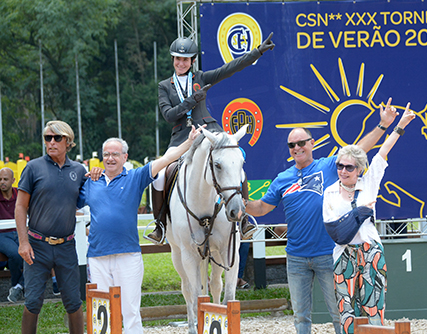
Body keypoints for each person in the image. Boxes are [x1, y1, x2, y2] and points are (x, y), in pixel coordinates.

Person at [245, 98, 401, 334]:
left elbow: (359, 150)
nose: (297, 148)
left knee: (340, 314)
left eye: (301, 143)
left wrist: (383, 125)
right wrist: (237, 201)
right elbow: (260, 209)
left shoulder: (329, 166)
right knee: (300, 318)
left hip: (330, 255)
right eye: (291, 145)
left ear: (312, 143)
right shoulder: (282, 179)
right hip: (296, 257)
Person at [149, 33, 276, 243]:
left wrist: (257, 52)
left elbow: (230, 68)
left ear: (192, 61)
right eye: (178, 59)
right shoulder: (165, 86)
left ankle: (243, 221)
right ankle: (160, 224)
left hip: (209, 132)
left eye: (185, 59)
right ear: (173, 60)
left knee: (233, 164)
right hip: (182, 137)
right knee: (160, 174)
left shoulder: (200, 77)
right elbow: (169, 115)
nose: (181, 63)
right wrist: (191, 100)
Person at [78, 126, 202, 334]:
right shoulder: (91, 182)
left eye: (115, 154)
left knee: (131, 311)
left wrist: (189, 142)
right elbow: (71, 203)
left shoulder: (135, 177)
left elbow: (166, 159)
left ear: (125, 156)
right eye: (106, 154)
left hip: (128, 256)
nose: (110, 158)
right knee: (102, 313)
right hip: (97, 257)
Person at [322, 104, 415, 334]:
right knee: (346, 311)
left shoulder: (369, 182)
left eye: (349, 167)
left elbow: (383, 152)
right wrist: (358, 213)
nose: (343, 171)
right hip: (343, 253)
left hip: (371, 250)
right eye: (340, 166)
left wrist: (400, 125)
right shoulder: (330, 192)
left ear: (359, 169)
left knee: (374, 308)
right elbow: (336, 232)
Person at [15, 120, 87, 334]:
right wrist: (23, 242)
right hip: (37, 246)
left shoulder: (78, 170)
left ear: (68, 141)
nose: (51, 142)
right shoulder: (33, 167)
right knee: (33, 302)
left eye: (57, 138)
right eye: (48, 138)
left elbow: (90, 196)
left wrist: (96, 175)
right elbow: (20, 206)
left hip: (66, 245)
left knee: (74, 301)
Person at [0, 167, 24, 303]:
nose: (2, 182)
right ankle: (17, 285)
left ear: (13, 180)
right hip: (2, 234)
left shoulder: (19, 194)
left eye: (5, 179)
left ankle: (18, 287)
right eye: (0, 179)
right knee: (16, 254)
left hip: (20, 232)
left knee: (34, 253)